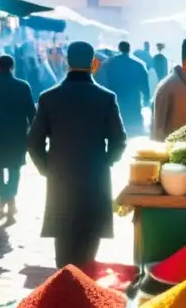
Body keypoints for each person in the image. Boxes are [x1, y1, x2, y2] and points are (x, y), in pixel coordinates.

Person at [26, 41, 126, 267]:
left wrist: (47, 168)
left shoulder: (49, 97)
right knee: (88, 257)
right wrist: (104, 162)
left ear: (66, 62)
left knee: (64, 257)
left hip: (60, 182)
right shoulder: (106, 98)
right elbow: (119, 141)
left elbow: (33, 143)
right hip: (95, 183)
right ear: (93, 64)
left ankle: (65, 297)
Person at [0, 55, 36, 221]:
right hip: (17, 135)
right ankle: (10, 198)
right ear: (12, 67)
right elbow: (32, 113)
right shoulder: (23, 87)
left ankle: (3, 197)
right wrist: (38, 133)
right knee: (14, 168)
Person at [101, 41, 151, 136]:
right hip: (133, 102)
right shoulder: (138, 65)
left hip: (116, 100)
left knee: (116, 128)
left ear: (119, 48)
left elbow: (103, 82)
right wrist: (146, 98)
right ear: (129, 49)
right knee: (134, 131)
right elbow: (145, 85)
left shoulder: (109, 64)